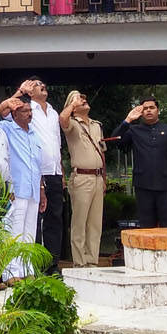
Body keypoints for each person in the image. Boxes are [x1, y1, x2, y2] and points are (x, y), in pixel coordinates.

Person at [0, 94, 44, 280]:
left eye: (30, 111)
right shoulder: (6, 128)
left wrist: (41, 190)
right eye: (25, 111)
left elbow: (36, 165)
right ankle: (11, 273)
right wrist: (5, 103)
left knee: (30, 233)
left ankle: (27, 270)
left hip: (33, 190)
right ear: (15, 113)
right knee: (14, 232)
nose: (29, 114)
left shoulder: (34, 134)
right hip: (17, 189)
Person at [16, 79, 63, 272]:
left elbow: (57, 142)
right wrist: (20, 93)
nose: (42, 85)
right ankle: (33, 264)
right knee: (34, 220)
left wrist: (61, 171)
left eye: (43, 83)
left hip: (54, 171)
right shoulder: (26, 109)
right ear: (29, 91)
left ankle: (52, 264)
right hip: (36, 171)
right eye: (36, 84)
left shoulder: (53, 112)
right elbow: (4, 111)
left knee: (55, 218)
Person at [111, 98, 167, 229]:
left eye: (152, 107)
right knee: (146, 226)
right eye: (145, 108)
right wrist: (128, 120)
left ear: (158, 111)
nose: (148, 110)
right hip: (143, 185)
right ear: (141, 112)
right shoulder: (134, 130)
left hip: (165, 186)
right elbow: (115, 140)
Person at [59, 90, 106, 266]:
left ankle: (92, 260)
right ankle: (79, 262)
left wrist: (104, 179)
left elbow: (101, 153)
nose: (83, 100)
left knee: (95, 223)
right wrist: (73, 104)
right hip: (81, 177)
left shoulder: (96, 125)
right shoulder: (71, 123)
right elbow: (62, 120)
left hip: (97, 177)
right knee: (79, 222)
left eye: (83, 98)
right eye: (78, 98)